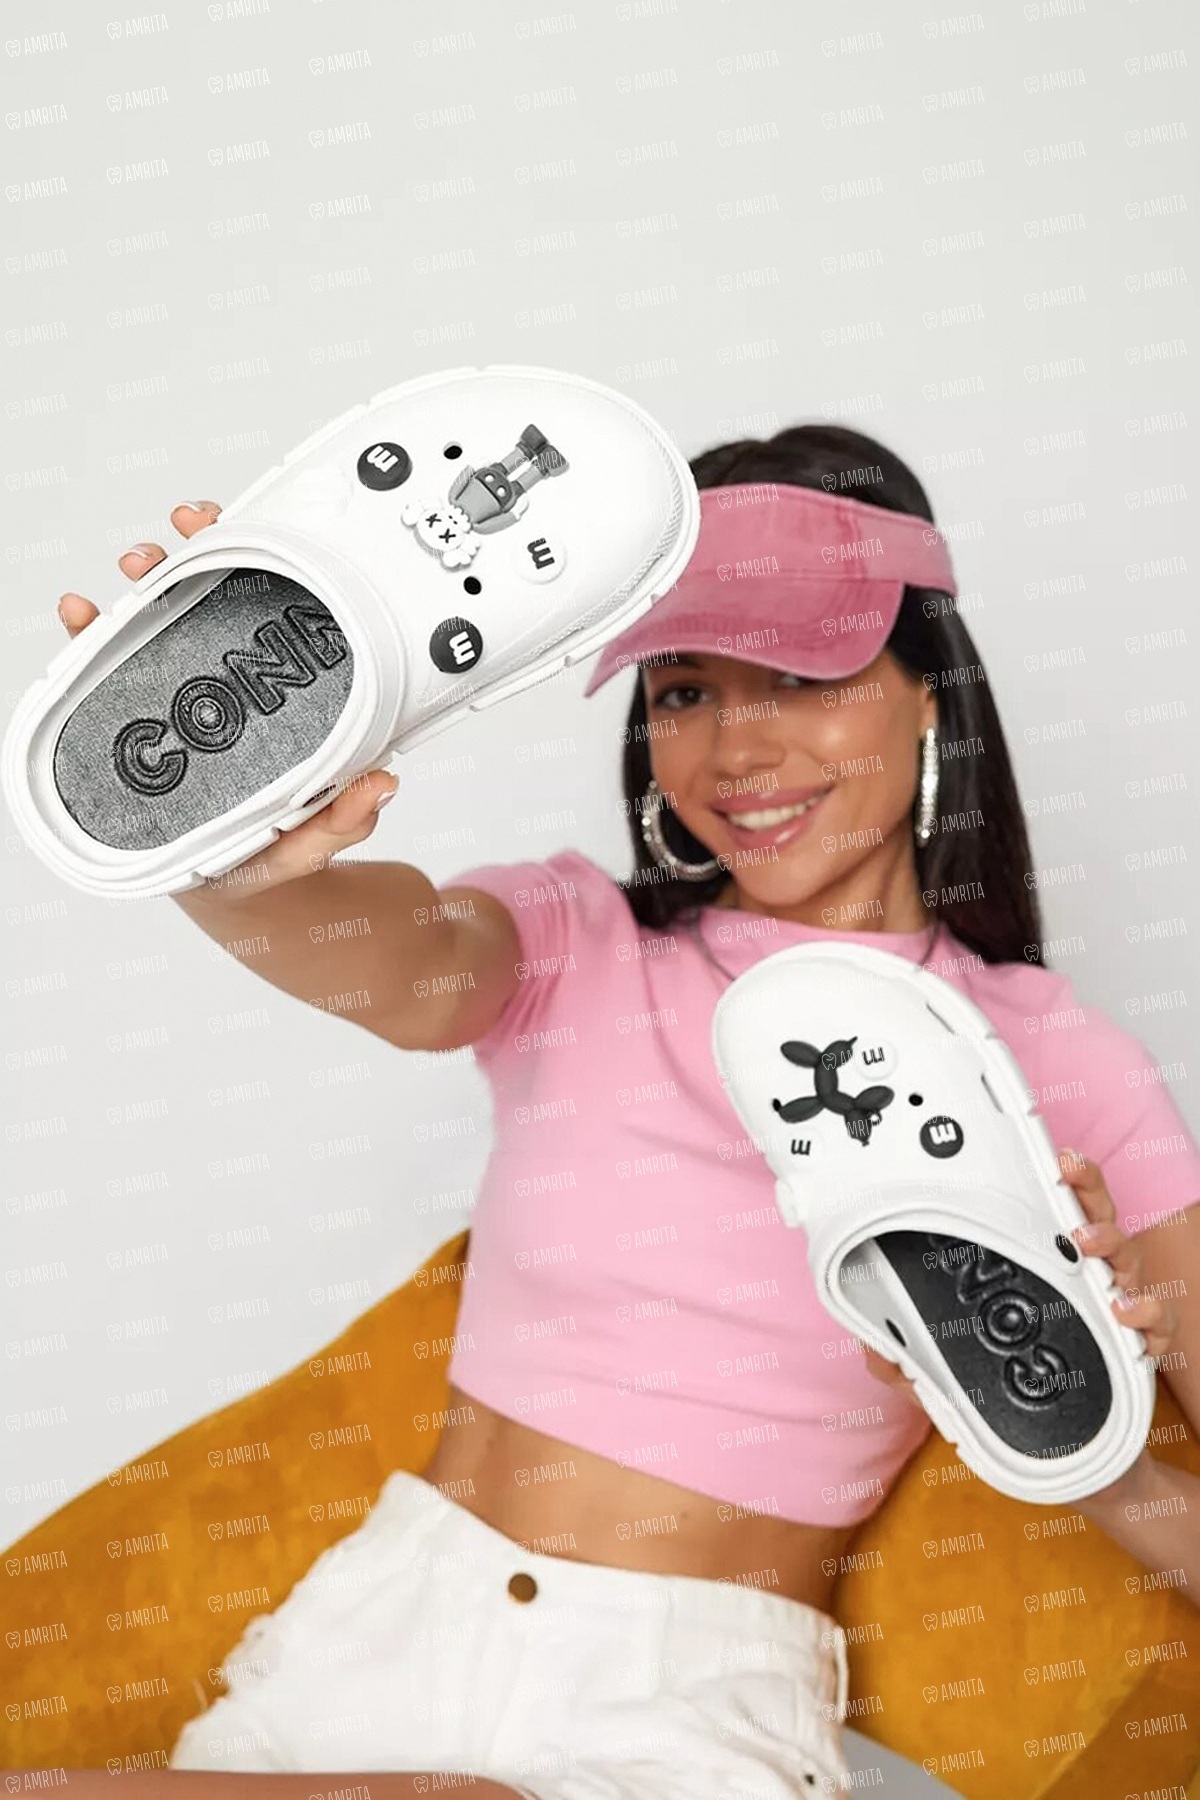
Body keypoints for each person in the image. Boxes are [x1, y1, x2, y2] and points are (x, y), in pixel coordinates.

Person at [55, 424, 1200, 1799]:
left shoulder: (1063, 1066)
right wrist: (223, 849)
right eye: (685, 690)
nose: (738, 749)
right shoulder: (576, 943)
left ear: (931, 695)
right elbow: (394, 963)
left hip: (684, 1718)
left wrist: (1076, 1441)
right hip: (368, 1648)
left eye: (802, 677)